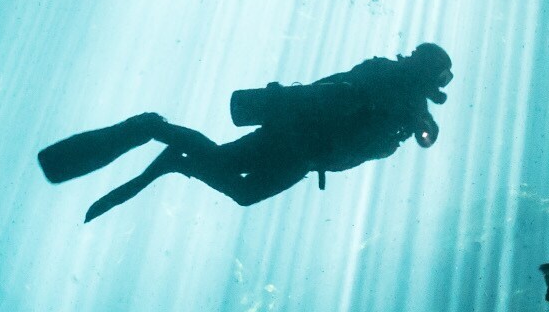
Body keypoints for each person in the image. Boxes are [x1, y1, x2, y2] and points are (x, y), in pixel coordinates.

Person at [37, 43, 452, 221]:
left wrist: (421, 123)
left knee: (242, 191)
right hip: (293, 141)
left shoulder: (409, 108)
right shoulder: (383, 77)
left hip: (307, 155)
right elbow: (339, 92)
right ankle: (153, 130)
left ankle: (171, 160)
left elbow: (424, 133)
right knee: (226, 168)